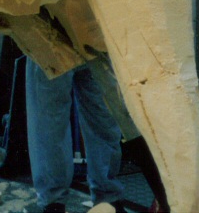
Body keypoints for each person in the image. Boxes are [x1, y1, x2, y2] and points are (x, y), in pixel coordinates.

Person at [26, 56, 126, 213]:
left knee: (102, 116)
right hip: (64, 36)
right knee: (51, 120)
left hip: (86, 37)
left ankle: (107, 201)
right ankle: (54, 203)